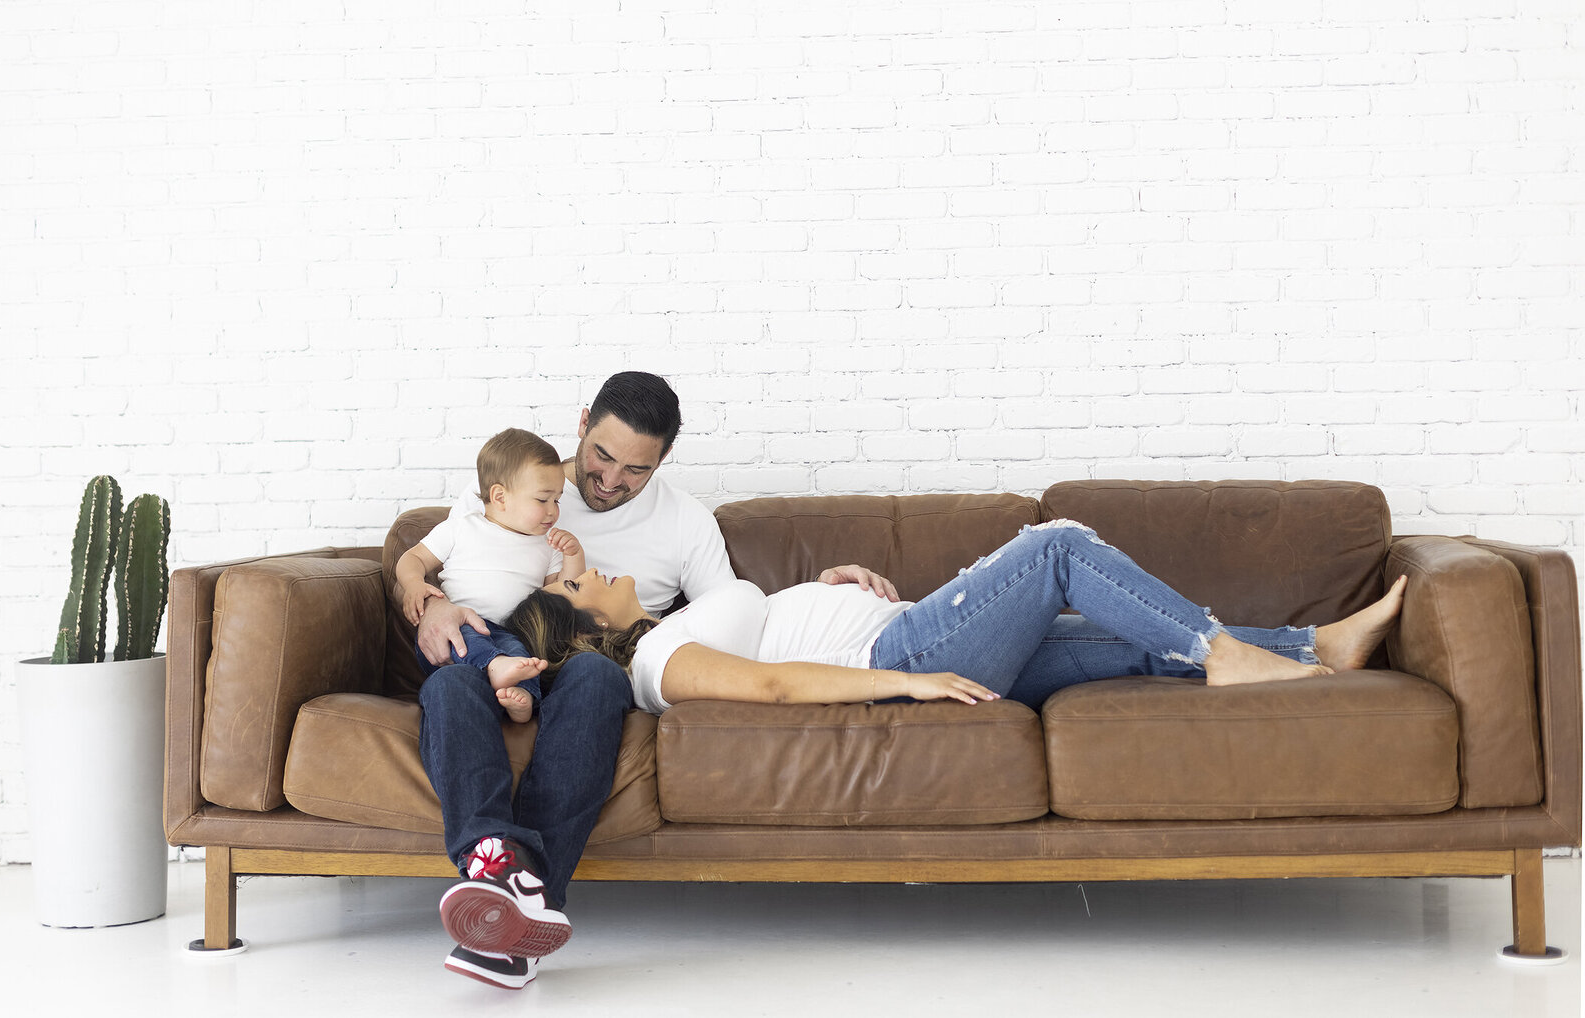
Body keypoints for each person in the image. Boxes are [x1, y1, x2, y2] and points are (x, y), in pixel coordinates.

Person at [412, 371, 897, 990]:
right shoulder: (519, 480)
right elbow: (443, 559)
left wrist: (815, 591)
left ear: (663, 459)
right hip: (498, 649)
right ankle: (507, 882)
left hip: (595, 664)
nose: (610, 480)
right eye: (602, 456)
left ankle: (514, 906)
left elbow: (738, 615)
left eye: (635, 470)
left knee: (592, 675)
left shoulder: (684, 522)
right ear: (583, 424)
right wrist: (427, 601)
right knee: (447, 687)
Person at [506, 518, 1409, 721]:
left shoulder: (679, 618)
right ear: (589, 632)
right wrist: (907, 674)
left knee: (1120, 638)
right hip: (904, 653)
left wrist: (826, 587)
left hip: (892, 635)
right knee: (1058, 546)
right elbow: (774, 684)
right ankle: (1224, 654)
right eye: (588, 586)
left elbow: (774, 637)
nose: (610, 572)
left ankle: (1311, 645)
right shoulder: (656, 660)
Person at [396, 428, 584, 725]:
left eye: (557, 501)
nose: (553, 511)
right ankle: (495, 666)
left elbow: (562, 595)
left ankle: (521, 701)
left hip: (509, 635)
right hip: (455, 630)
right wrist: (414, 584)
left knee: (525, 657)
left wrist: (574, 556)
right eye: (543, 500)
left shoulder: (547, 545)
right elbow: (413, 557)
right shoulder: (461, 527)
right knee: (473, 639)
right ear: (499, 496)